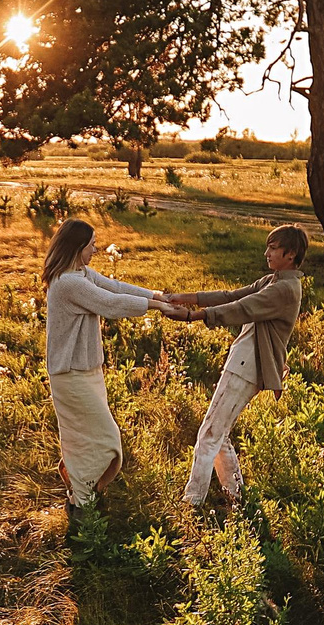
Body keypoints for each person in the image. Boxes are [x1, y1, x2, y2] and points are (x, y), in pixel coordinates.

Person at [162, 224, 309, 509]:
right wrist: (184, 298)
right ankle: (236, 496)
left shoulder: (285, 289)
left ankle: (192, 503)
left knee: (209, 434)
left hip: (247, 367)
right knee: (219, 433)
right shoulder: (273, 280)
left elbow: (241, 308)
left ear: (290, 254)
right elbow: (231, 296)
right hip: (243, 363)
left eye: (273, 248)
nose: (267, 253)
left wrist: (193, 317)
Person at [41, 217, 171, 509]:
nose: (95, 250)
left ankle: (81, 499)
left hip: (88, 372)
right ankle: (82, 503)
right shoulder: (68, 283)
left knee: (86, 439)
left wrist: (156, 295)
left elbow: (113, 287)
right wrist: (158, 306)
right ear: (77, 247)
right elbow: (110, 303)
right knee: (106, 440)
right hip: (70, 375)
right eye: (92, 245)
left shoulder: (81, 273)